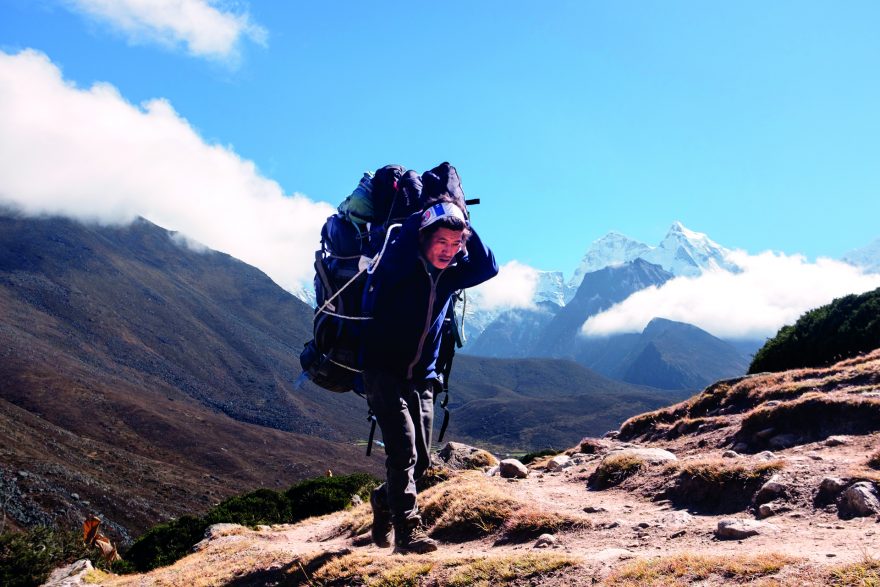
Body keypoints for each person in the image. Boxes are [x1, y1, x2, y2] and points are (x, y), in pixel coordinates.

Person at [360, 196, 498, 554]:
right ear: (423, 238)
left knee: (421, 462)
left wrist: (463, 219)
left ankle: (382, 500)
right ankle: (409, 532)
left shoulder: (450, 277)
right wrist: (423, 214)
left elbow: (489, 268)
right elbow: (401, 250)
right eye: (441, 242)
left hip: (423, 377)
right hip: (382, 372)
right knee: (402, 451)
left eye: (456, 244)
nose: (448, 251)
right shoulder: (398, 266)